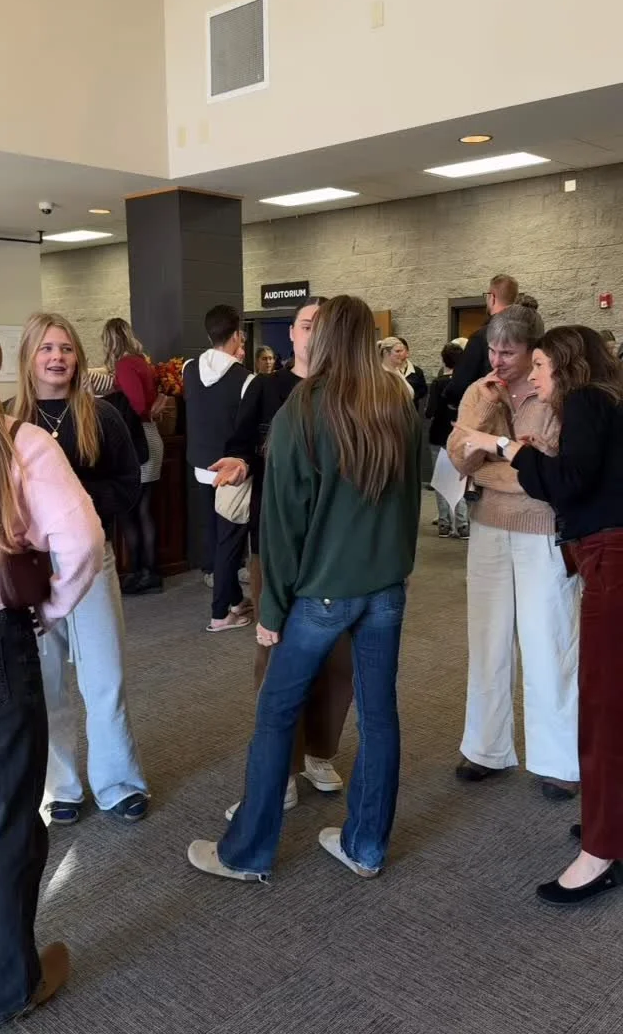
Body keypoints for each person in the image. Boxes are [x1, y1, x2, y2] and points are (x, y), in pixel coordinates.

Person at [187, 295, 422, 882]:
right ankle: (365, 846)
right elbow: (412, 495)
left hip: (322, 594)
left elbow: (283, 523)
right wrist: (400, 565)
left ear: (324, 338)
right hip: (386, 587)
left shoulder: (307, 406)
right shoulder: (396, 399)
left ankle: (246, 853)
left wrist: (271, 606)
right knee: (379, 714)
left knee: (275, 712)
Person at [461, 327, 623, 904]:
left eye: (540, 366)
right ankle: (609, 824)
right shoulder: (602, 400)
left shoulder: (584, 402)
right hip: (602, 553)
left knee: (602, 708)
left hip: (610, 559)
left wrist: (508, 448)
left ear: (566, 366)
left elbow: (565, 485)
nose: (533, 377)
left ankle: (601, 851)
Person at [0, 319, 104, 1026]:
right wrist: (47, 611)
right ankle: (3, 987)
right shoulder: (17, 442)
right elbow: (83, 542)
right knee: (4, 819)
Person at [209, 298, 353, 817]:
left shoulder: (347, 393)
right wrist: (241, 464)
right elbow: (241, 444)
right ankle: (282, 768)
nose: (313, 333)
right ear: (291, 334)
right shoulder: (267, 388)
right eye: (306, 325)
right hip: (276, 540)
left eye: (322, 325)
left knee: (337, 658)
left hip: (336, 547)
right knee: (276, 653)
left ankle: (318, 752)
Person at [12, 312, 149, 826]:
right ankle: (61, 787)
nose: (57, 358)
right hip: (32, 569)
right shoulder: (8, 420)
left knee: (104, 676)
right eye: (47, 348)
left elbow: (128, 485)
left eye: (66, 348)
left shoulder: (101, 415)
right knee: (45, 682)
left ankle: (118, 783)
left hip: (91, 559)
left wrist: (70, 503)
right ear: (29, 356)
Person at [447, 306, 581, 801]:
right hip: (488, 527)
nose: (497, 360)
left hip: (543, 530)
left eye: (509, 351)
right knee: (487, 638)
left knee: (550, 641)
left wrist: (490, 465)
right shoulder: (479, 391)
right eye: (492, 350)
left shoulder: (557, 393)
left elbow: (553, 476)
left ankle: (560, 761)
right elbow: (459, 458)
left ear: (534, 350)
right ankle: (485, 748)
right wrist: (488, 427)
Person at [183, 305, 253, 630]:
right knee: (230, 541)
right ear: (237, 334)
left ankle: (235, 599)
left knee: (214, 534)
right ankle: (220, 613)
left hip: (199, 464)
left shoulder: (189, 368)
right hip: (230, 469)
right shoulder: (245, 379)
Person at [101, 317, 165, 595]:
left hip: (138, 442)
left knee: (130, 511)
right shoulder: (140, 361)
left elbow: (137, 406)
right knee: (143, 509)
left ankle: (142, 573)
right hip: (150, 436)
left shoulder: (125, 365)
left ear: (110, 340)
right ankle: (148, 572)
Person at [444, 274, 519, 408]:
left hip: (491, 407)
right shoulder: (527, 332)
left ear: (492, 297)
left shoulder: (482, 336)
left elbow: (460, 385)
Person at [426, 342, 469, 538]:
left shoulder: (438, 383)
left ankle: (444, 523)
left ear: (444, 361)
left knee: (442, 481)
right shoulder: (469, 383)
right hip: (461, 436)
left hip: (439, 436)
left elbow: (430, 411)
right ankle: (462, 524)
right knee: (461, 480)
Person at [397, 337, 428, 406]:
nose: (398, 354)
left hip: (412, 407)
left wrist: (412, 396)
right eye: (396, 351)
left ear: (407, 352)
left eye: (400, 350)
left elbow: (423, 390)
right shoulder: (386, 370)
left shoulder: (417, 371)